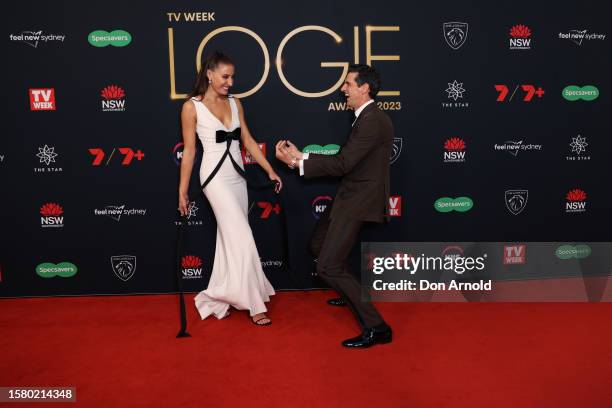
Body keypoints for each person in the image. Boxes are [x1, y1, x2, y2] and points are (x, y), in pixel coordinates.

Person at [275, 64, 393, 347]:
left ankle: (378, 328)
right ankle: (349, 291)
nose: (343, 89)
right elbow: (348, 158)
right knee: (318, 245)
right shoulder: (365, 118)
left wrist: (295, 162)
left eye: (348, 84)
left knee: (327, 265)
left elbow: (343, 163)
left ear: (364, 88)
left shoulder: (372, 120)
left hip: (358, 200)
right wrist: (303, 155)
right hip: (349, 195)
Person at [178, 51, 282, 326]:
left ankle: (226, 289)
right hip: (214, 178)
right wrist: (182, 190)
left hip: (238, 177)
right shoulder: (192, 107)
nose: (230, 82)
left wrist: (269, 169)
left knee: (230, 240)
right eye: (225, 76)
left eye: (232, 77)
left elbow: (247, 139)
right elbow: (189, 152)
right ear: (209, 74)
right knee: (242, 235)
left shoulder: (236, 103)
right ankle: (254, 305)